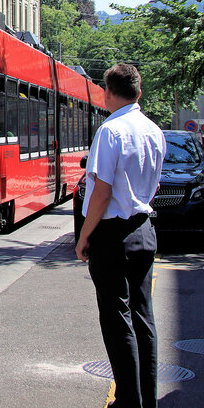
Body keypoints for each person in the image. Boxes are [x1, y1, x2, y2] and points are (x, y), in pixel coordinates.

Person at [75, 63, 165, 408]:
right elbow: (153, 185)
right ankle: (146, 398)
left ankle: (129, 400)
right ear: (138, 94)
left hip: (112, 234)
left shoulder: (110, 132)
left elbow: (101, 192)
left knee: (117, 321)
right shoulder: (154, 131)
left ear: (107, 92)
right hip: (144, 229)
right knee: (143, 317)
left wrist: (84, 237)